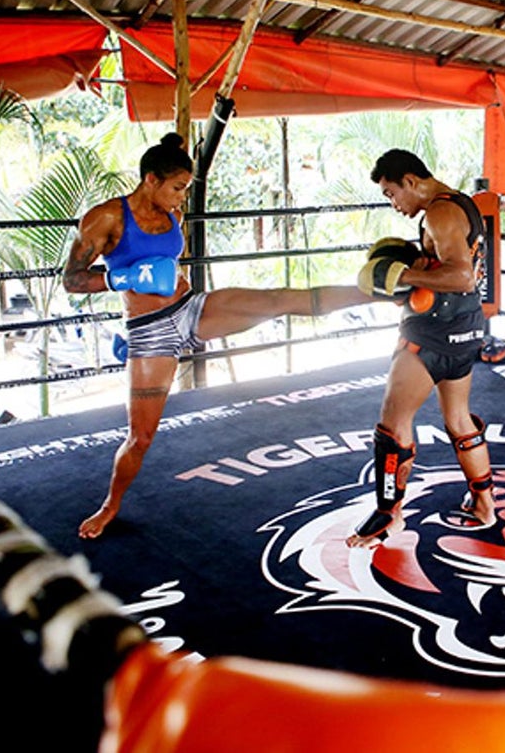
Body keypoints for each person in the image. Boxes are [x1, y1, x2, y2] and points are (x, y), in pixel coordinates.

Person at [63, 132, 372, 539]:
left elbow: (172, 266)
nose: (180, 199)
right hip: (150, 334)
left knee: (278, 299)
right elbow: (71, 280)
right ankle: (110, 505)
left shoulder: (174, 215)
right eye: (176, 188)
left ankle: (375, 291)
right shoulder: (105, 218)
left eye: (186, 190)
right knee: (140, 437)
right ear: (150, 180)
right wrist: (120, 278)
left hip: (191, 310)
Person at [346, 148, 496, 549]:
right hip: (465, 328)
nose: (394, 204)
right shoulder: (461, 205)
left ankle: (387, 515)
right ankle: (485, 504)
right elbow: (457, 266)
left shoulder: (438, 212)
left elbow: (462, 276)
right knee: (459, 419)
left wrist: (400, 274)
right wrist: (418, 267)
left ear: (411, 181)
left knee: (393, 425)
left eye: (391, 193)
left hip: (429, 335)